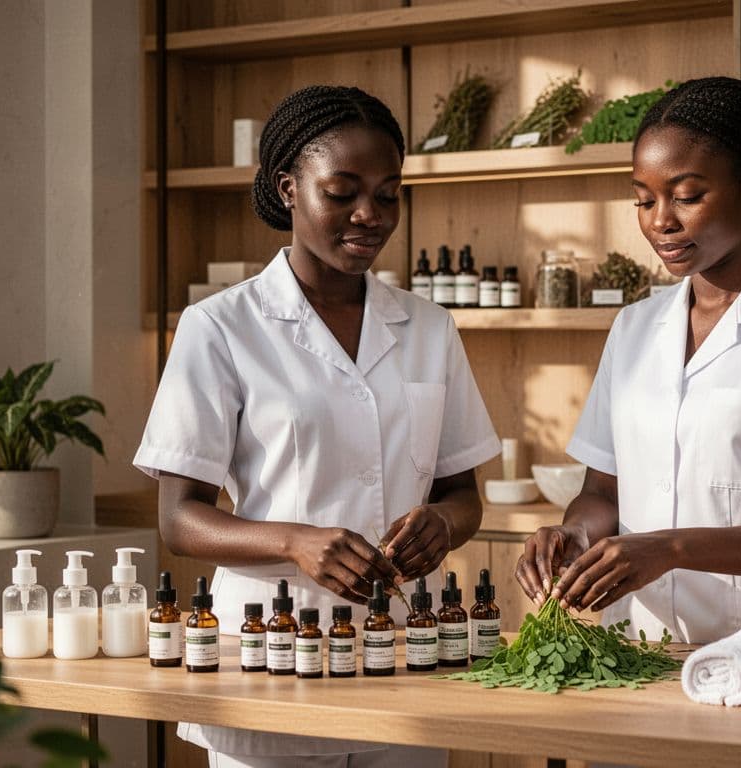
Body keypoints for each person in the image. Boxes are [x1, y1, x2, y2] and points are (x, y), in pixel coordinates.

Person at [134, 85, 498, 768]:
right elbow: (179, 520)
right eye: (343, 192)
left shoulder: (428, 327)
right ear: (290, 189)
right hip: (274, 652)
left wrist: (444, 526)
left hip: (406, 651)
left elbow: (463, 493)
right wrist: (297, 542)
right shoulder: (222, 328)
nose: (370, 214)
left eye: (388, 194)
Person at [516, 77, 741, 644]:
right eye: (643, 199)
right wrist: (573, 538)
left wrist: (671, 549)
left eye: (685, 196)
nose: (660, 220)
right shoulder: (635, 328)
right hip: (641, 646)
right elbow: (603, 494)